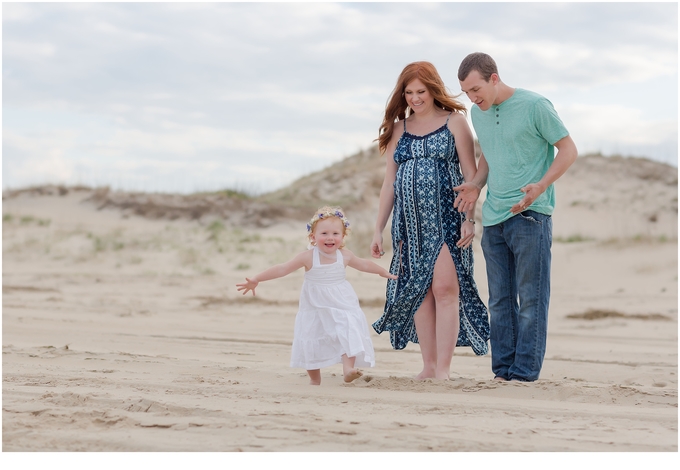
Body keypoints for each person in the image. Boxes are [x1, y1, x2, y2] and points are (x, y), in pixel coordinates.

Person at [456, 52, 578, 382]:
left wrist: (541, 185)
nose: (472, 97)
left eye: (476, 89)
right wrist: (476, 185)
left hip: (530, 215)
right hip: (494, 218)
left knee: (532, 300)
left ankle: (524, 374)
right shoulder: (477, 113)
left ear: (494, 78)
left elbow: (568, 149)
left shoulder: (536, 105)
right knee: (500, 301)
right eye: (466, 92)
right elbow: (489, 157)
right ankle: (502, 372)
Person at [370, 61, 490, 381]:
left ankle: (445, 370)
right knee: (420, 292)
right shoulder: (399, 129)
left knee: (445, 288)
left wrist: (469, 219)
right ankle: (429, 366)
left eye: (421, 91)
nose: (414, 98)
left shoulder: (456, 122)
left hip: (448, 220)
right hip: (409, 225)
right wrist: (378, 230)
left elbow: (469, 174)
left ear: (433, 89)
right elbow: (389, 183)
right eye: (408, 92)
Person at [236, 206, 397, 386]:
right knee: (311, 336)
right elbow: (283, 268)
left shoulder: (344, 256)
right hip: (314, 305)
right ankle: (314, 379)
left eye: (336, 233)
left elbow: (364, 265)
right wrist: (257, 279)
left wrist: (382, 272)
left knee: (347, 328)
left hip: (341, 301)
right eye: (324, 233)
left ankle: (348, 370)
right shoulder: (308, 257)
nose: (330, 237)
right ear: (313, 237)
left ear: (343, 237)